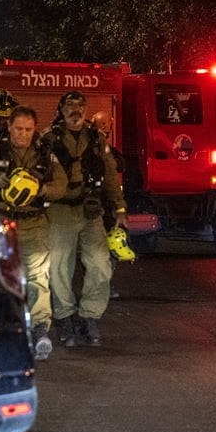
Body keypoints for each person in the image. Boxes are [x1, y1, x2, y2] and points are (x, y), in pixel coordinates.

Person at [0, 105, 67, 361]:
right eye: (18, 129)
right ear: (9, 127)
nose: (23, 134)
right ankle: (1, 329)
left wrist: (41, 189)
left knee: (37, 278)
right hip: (1, 221)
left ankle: (39, 330)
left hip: (34, 223)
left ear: (34, 129)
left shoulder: (45, 153)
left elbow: (61, 184)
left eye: (28, 129)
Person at [43, 92, 124, 348]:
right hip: (59, 210)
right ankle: (65, 319)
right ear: (61, 108)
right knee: (58, 269)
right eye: (70, 104)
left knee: (101, 264)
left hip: (91, 211)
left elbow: (110, 175)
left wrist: (120, 208)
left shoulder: (97, 139)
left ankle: (89, 317)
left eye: (80, 105)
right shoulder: (47, 138)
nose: (75, 109)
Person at [90, 110, 127, 300]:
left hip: (101, 208)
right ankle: (103, 285)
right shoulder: (92, 150)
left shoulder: (107, 152)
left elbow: (119, 165)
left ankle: (103, 285)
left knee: (104, 248)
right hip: (98, 208)